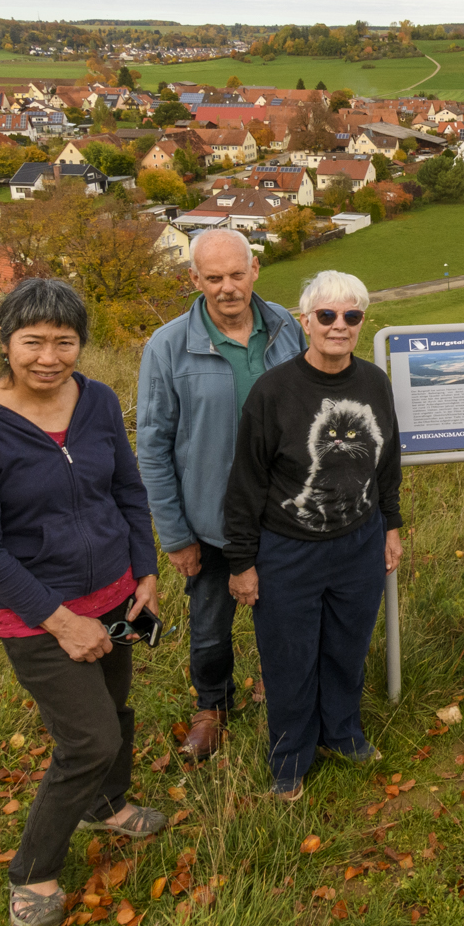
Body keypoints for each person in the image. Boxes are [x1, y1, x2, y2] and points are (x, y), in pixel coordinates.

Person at [0, 278, 166, 926]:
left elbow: (126, 487)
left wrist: (143, 571)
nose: (49, 356)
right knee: (88, 739)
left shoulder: (96, 400)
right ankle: (32, 870)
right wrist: (63, 623)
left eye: (65, 341)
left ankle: (109, 806)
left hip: (117, 594)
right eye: (32, 341)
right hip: (35, 613)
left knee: (115, 708)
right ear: (5, 342)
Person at [223, 271, 403, 800]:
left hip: (358, 542)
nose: (339, 326)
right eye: (326, 316)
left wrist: (390, 525)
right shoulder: (273, 392)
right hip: (288, 550)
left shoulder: (374, 382)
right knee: (290, 657)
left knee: (347, 648)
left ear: (362, 322)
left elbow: (387, 462)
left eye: (351, 316)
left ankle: (343, 734)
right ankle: (290, 757)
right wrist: (241, 561)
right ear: (305, 322)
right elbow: (245, 483)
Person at [137, 228, 304, 760]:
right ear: (195, 280)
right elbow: (154, 447)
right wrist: (176, 536)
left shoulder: (286, 329)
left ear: (255, 268)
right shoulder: (166, 346)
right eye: (214, 278)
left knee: (286, 615)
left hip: (283, 514)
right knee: (209, 627)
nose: (228, 287)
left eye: (236, 274)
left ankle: (280, 693)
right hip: (208, 522)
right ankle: (213, 706)